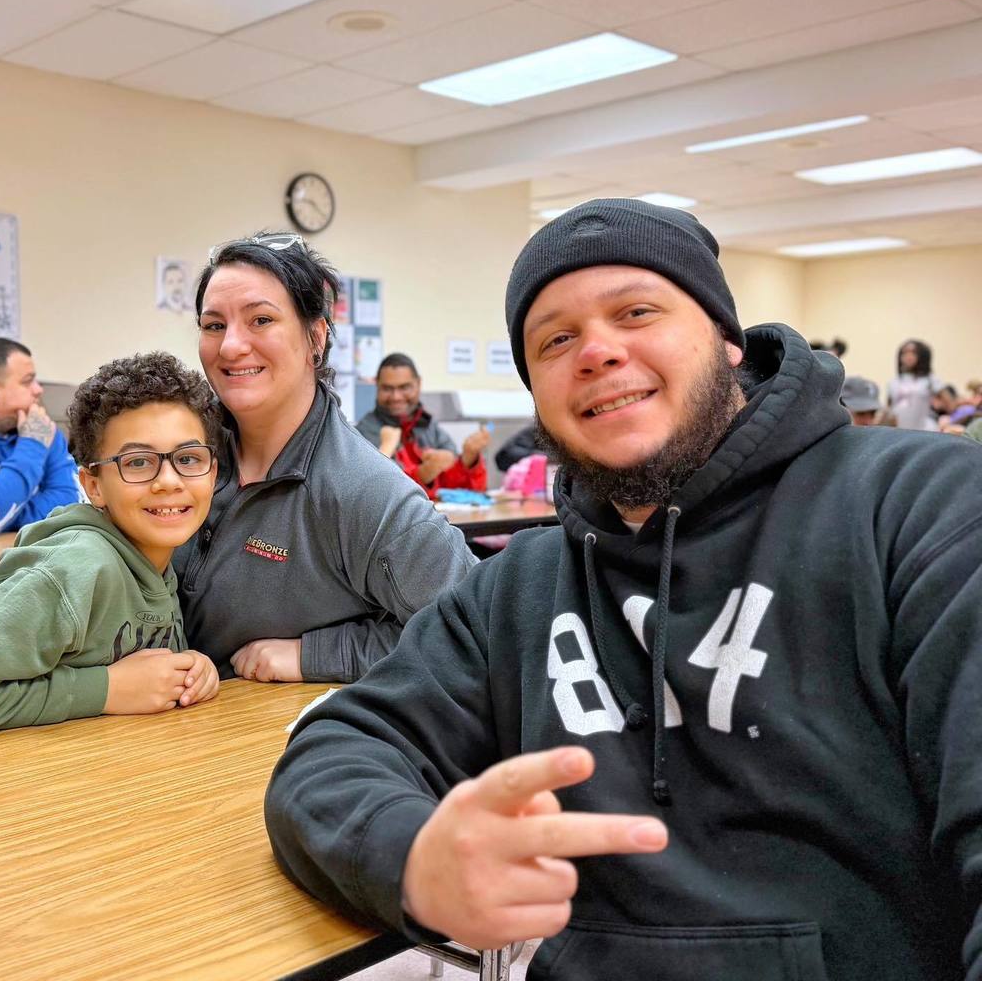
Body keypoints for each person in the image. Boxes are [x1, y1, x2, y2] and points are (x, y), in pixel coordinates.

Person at [265, 199, 982, 980]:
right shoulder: (515, 591)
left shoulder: (927, 512)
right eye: (556, 340)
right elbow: (337, 750)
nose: (597, 352)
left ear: (726, 338)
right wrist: (410, 855)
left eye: (636, 312)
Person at [175, 234, 476, 684]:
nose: (231, 346)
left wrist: (315, 655)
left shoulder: (363, 489)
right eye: (214, 325)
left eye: (260, 320)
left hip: (261, 746)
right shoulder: (180, 454)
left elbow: (471, 631)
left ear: (315, 336)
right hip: (141, 731)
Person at [0, 352, 220, 734]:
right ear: (93, 486)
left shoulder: (163, 560)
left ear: (212, 472)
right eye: (137, 462)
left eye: (189, 458)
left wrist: (192, 670)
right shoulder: (73, 569)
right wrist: (105, 690)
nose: (169, 480)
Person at [0, 337, 79, 535]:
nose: (38, 389)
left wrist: (8, 515)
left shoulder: (41, 428)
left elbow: (73, 504)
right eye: (28, 381)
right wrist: (32, 444)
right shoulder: (37, 435)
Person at [355, 353, 490, 499]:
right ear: (377, 387)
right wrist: (423, 474)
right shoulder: (363, 433)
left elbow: (458, 491)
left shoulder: (428, 425)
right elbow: (375, 493)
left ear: (418, 384)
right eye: (387, 389)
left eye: (404, 387)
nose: (396, 397)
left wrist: (468, 460)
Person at [887, 338, 943, 430]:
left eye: (913, 353)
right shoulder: (894, 382)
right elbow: (889, 408)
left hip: (924, 429)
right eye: (905, 353)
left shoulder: (930, 380)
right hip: (899, 430)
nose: (908, 356)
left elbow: (950, 405)